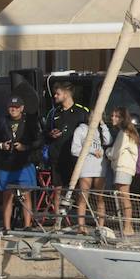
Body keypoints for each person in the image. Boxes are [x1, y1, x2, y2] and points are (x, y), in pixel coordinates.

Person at [0, 95, 39, 233]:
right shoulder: (2, 121)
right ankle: (6, 227)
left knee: (26, 194)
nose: (13, 110)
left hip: (24, 163)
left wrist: (25, 147)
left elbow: (38, 141)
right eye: (11, 107)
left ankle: (27, 225)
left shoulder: (29, 122)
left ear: (22, 108)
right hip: (6, 163)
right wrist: (2, 145)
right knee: (7, 195)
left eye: (16, 107)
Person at [43, 81, 88, 211]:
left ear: (67, 94)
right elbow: (44, 134)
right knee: (57, 189)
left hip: (75, 158)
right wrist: (50, 134)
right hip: (57, 157)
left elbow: (91, 133)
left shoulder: (82, 112)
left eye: (58, 93)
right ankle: (57, 221)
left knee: (79, 189)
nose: (55, 96)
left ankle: (80, 222)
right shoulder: (53, 113)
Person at [69, 114, 111, 233]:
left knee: (100, 197)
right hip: (86, 167)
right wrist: (92, 151)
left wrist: (103, 125)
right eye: (92, 116)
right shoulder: (81, 130)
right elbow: (74, 150)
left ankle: (101, 226)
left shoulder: (100, 130)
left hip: (99, 168)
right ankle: (81, 226)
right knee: (83, 197)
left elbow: (108, 140)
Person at [104, 107, 140, 235]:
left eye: (116, 116)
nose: (113, 118)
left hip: (123, 168)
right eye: (112, 115)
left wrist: (106, 152)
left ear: (122, 119)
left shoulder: (123, 133)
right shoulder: (127, 133)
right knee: (123, 197)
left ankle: (128, 227)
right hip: (125, 168)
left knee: (124, 197)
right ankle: (127, 226)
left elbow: (115, 153)